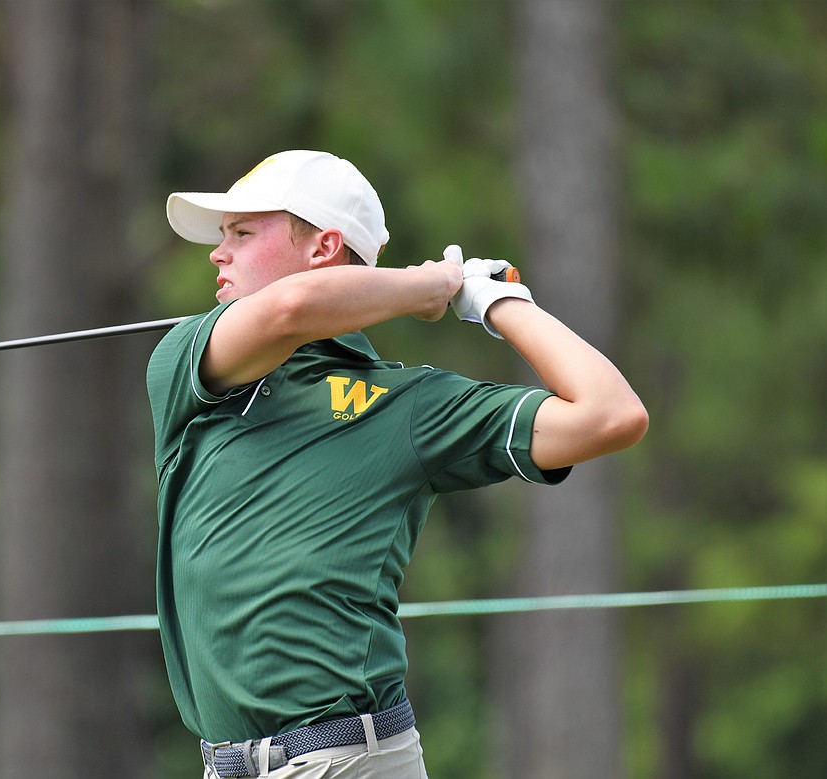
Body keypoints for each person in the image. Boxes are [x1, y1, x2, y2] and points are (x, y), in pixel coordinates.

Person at [146, 150, 648, 779]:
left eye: (243, 234)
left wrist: (499, 303)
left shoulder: (408, 405)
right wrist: (431, 285)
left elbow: (611, 415)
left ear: (323, 246)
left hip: (346, 759)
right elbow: (289, 311)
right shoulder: (187, 368)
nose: (219, 254)